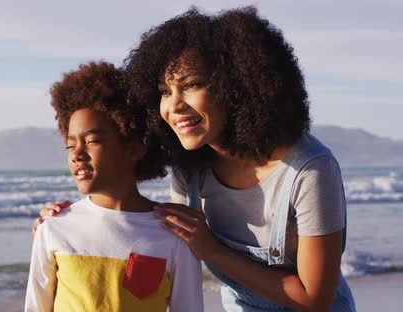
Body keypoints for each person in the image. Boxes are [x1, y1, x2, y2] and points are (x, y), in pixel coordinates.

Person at [35, 7, 357, 311]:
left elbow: (315, 298)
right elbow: (157, 232)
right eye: (164, 90)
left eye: (190, 85)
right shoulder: (190, 171)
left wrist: (212, 249)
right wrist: (71, 219)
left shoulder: (309, 171)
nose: (173, 106)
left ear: (237, 85)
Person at [25, 61, 203, 311]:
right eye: (70, 144)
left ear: (135, 148)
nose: (77, 154)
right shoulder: (54, 227)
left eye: (92, 141)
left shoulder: (173, 234)